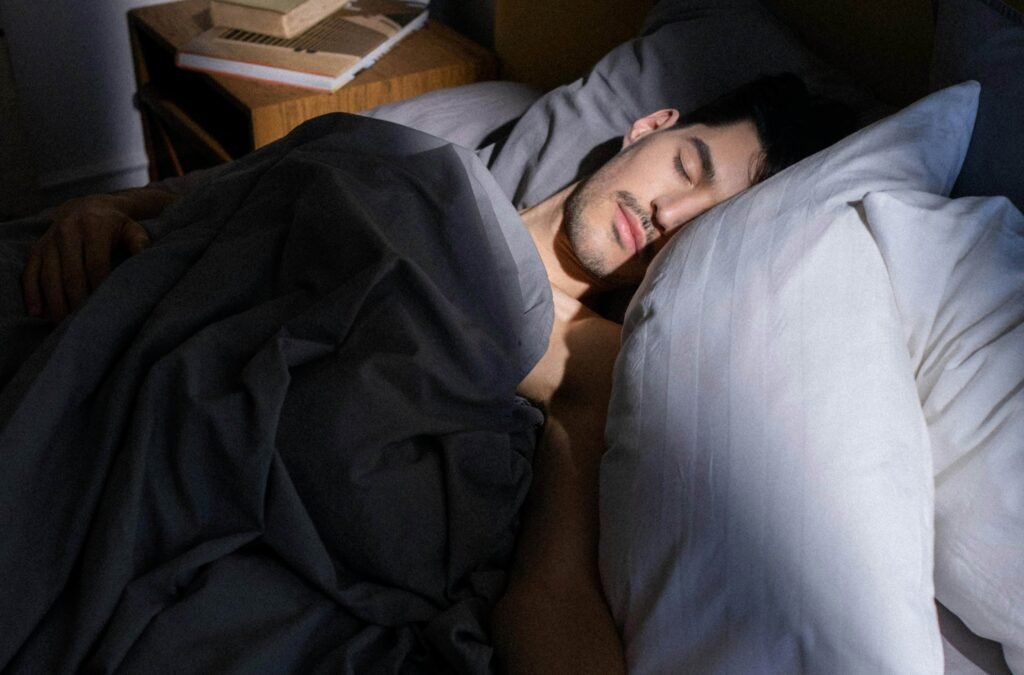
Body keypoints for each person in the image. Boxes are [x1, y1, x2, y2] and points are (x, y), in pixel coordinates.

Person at [18, 73, 853, 673]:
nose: (664, 215)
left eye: (697, 227)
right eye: (688, 168)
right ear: (651, 126)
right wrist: (98, 209)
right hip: (129, 338)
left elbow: (547, 592)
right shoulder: (409, 164)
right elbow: (221, 195)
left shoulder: (589, 358)